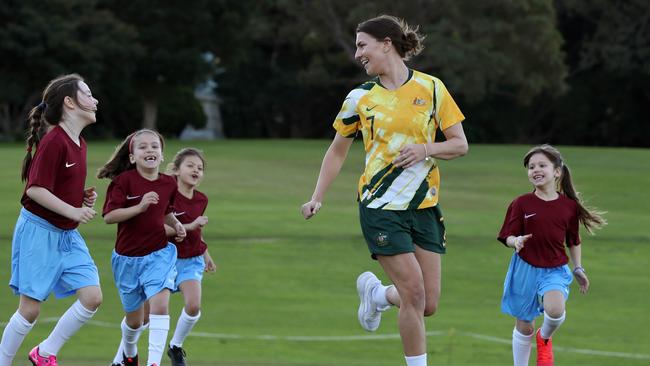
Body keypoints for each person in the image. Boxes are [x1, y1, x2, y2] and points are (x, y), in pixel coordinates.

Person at [301, 15, 468, 366]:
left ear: (386, 43)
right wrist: (317, 196)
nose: (358, 53)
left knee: (429, 303)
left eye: (363, 45)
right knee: (414, 294)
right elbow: (337, 150)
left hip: (424, 206)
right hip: (379, 207)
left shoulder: (432, 88)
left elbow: (459, 145)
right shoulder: (359, 98)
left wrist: (426, 149)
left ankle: (377, 294)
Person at [0, 74, 102, 366]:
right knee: (30, 311)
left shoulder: (79, 143)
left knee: (92, 296)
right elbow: (34, 189)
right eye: (88, 93)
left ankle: (43, 353)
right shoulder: (54, 140)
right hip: (39, 233)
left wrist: (79, 198)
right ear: (70, 103)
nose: (95, 100)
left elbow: (56, 186)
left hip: (67, 236)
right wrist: (72, 211)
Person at [497, 144, 606, 366]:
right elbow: (506, 235)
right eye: (531, 167)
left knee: (555, 311)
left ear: (557, 172)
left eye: (541, 165)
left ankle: (544, 337)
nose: (535, 170)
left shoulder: (569, 207)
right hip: (524, 267)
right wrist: (515, 241)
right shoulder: (521, 203)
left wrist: (578, 268)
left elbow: (573, 241)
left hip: (554, 268)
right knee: (524, 324)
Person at [109, 147, 216, 366]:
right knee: (143, 318)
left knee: (194, 305)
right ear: (175, 170)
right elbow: (156, 228)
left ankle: (175, 347)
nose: (196, 170)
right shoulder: (166, 192)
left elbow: (197, 233)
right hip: (163, 259)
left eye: (200, 168)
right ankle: (120, 359)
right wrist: (187, 225)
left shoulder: (201, 199)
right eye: (190, 166)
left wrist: (205, 253)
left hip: (190, 261)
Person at [98, 129, 186, 366]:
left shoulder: (169, 183)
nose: (150, 150)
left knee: (160, 305)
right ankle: (129, 353)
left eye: (155, 146)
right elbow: (109, 217)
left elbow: (166, 212)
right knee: (135, 322)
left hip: (159, 254)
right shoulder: (123, 182)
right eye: (143, 147)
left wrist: (177, 224)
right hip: (126, 260)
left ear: (162, 155)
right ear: (133, 157)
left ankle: (154, 362)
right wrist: (139, 206)